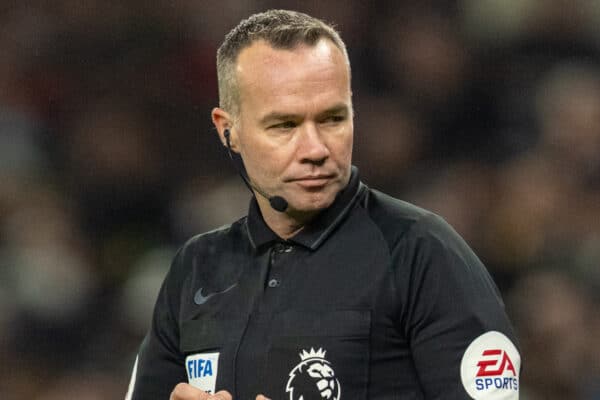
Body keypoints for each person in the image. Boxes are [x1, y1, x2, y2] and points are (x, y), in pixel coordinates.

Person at [126, 9, 521, 400]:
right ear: (228, 130)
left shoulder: (421, 254)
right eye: (284, 125)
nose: (315, 149)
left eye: (333, 119)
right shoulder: (196, 268)